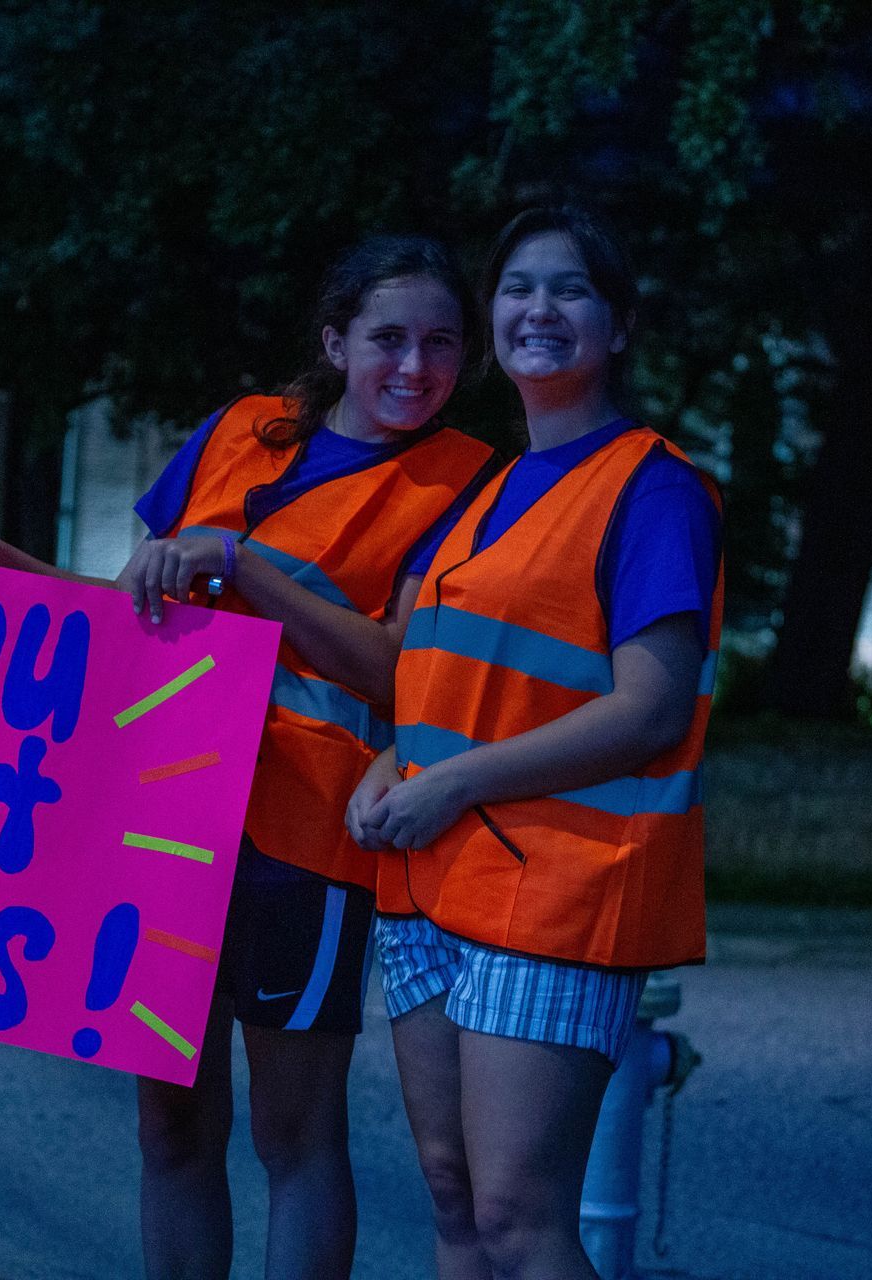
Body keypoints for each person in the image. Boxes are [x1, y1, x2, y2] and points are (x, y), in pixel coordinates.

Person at [0, 234, 496, 1280]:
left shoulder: (469, 484)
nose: (414, 365)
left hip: (304, 836)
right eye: (388, 337)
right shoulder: (238, 433)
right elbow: (121, 629)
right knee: (169, 1133)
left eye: (441, 342)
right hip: (152, 819)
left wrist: (245, 567)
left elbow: (401, 675)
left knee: (295, 1139)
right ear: (336, 340)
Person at [346, 207, 723, 1280]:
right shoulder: (485, 488)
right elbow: (442, 680)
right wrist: (393, 768)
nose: (538, 311)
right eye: (517, 288)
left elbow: (650, 706)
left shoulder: (653, 488)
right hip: (431, 883)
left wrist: (454, 781)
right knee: (458, 1201)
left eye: (569, 290)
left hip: (558, 891)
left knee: (520, 1213)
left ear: (621, 323)